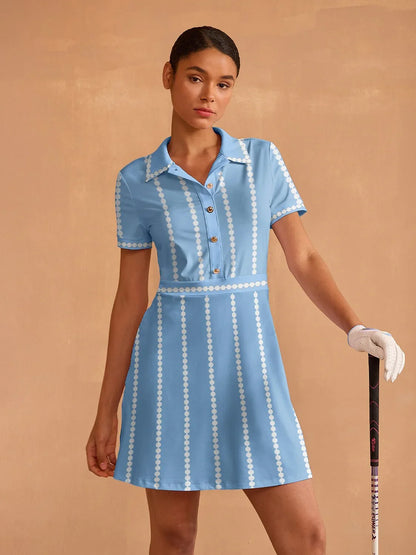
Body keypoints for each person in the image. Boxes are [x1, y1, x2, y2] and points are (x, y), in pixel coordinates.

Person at [86, 25, 405, 555]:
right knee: (173, 536)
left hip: (251, 368)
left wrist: (355, 327)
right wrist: (106, 411)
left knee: (306, 537)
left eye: (225, 84)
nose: (209, 95)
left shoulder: (261, 161)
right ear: (168, 76)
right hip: (168, 371)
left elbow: (303, 257)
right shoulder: (136, 181)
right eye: (196, 78)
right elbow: (129, 300)